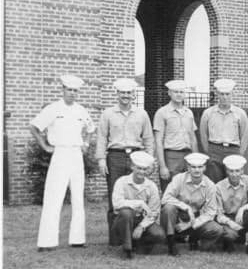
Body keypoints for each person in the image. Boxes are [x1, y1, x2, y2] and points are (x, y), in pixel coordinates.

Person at [29, 75, 95, 251]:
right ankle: (47, 241)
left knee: (78, 198)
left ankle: (78, 239)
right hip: (60, 154)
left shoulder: (81, 110)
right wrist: (45, 146)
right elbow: (34, 127)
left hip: (76, 154)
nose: (72, 93)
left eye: (75, 90)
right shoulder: (53, 108)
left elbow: (90, 129)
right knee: (53, 196)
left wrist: (86, 144)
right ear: (63, 90)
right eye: (69, 90)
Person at [96, 77, 154, 245]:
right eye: (122, 92)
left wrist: (149, 160)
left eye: (128, 93)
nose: (125, 96)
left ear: (133, 94)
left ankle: (137, 234)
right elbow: (101, 137)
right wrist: (101, 160)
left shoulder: (142, 114)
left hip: (136, 156)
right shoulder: (107, 114)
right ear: (117, 94)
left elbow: (149, 138)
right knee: (116, 195)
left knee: (138, 193)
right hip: (115, 156)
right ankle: (115, 238)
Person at [160, 153, 226, 256]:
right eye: (193, 167)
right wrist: (186, 207)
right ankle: (171, 243)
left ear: (204, 168)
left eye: (200, 167)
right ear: (188, 168)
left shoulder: (210, 185)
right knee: (168, 208)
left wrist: (189, 224)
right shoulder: (179, 179)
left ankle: (196, 241)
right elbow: (165, 198)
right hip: (178, 216)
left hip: (196, 218)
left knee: (217, 230)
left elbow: (210, 212)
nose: (197, 170)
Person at [110, 151, 165, 259]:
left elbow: (154, 211)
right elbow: (116, 204)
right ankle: (127, 249)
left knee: (159, 234)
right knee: (126, 212)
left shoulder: (151, 186)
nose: (141, 172)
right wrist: (139, 203)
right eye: (139, 168)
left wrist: (141, 226)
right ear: (132, 167)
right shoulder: (121, 182)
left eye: (145, 169)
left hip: (142, 220)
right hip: (122, 220)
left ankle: (138, 243)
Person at [213, 155, 248, 255]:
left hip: (242, 217)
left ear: (242, 171)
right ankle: (229, 240)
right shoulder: (219, 187)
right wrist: (229, 223)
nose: (234, 174)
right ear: (226, 171)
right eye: (231, 171)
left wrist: (243, 209)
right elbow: (218, 214)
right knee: (230, 235)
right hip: (227, 219)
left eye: (237, 171)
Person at [199, 78, 248, 183]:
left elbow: (244, 136)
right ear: (218, 94)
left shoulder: (240, 114)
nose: (225, 97)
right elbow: (203, 134)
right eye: (222, 94)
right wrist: (209, 152)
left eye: (227, 94)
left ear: (232, 94)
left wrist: (239, 154)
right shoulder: (208, 113)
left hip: (233, 150)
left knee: (233, 183)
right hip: (214, 150)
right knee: (214, 183)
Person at [153, 80, 198, 193]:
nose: (179, 94)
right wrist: (162, 166)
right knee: (170, 191)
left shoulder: (189, 113)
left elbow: (193, 138)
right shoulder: (162, 112)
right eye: (175, 92)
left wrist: (196, 160)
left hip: (188, 156)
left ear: (185, 94)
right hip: (171, 156)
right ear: (169, 93)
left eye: (181, 92)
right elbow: (158, 141)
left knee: (188, 191)